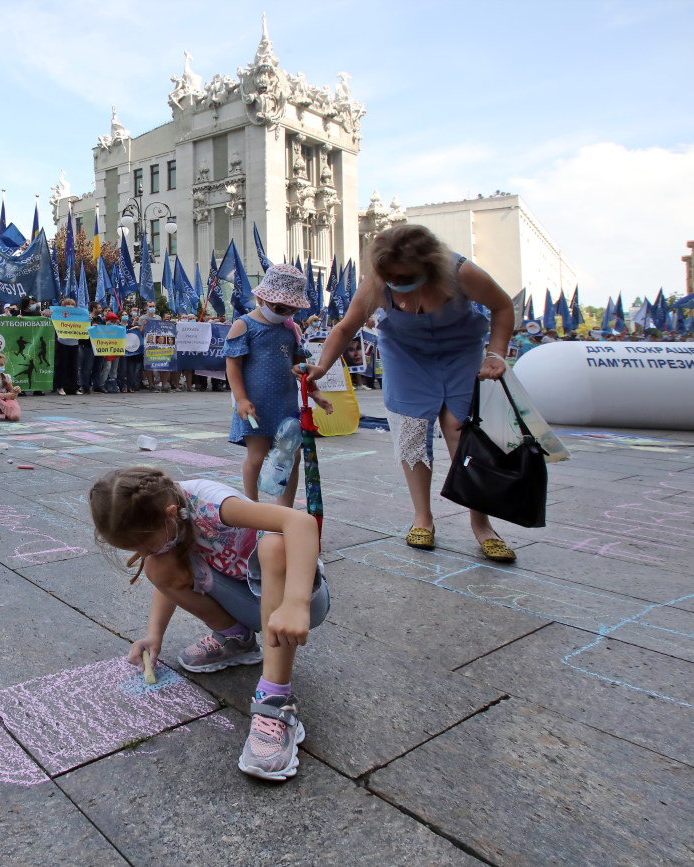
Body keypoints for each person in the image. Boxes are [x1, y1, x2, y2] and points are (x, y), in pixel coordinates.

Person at [88, 466, 328, 781]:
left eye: (144, 546)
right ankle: (236, 640)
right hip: (247, 598)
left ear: (171, 514)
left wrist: (296, 603)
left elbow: (301, 522)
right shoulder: (161, 512)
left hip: (298, 601)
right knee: (158, 567)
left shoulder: (211, 503)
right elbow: (167, 568)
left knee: (274, 546)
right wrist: (154, 636)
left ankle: (276, 701)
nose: (143, 553)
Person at [302, 224, 516, 562]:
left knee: (464, 434)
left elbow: (503, 307)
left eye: (405, 277)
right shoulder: (377, 282)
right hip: (406, 358)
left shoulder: (463, 273)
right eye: (390, 278)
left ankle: (482, 523)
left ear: (429, 268)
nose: (397, 285)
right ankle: (423, 518)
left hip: (461, 355)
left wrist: (496, 354)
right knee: (412, 434)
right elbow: (346, 327)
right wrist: (322, 367)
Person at [225, 263, 334, 502]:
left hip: (286, 405)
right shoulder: (244, 325)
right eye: (280, 307)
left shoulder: (291, 329)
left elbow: (302, 367)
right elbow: (233, 365)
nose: (285, 313)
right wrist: (241, 399)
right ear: (262, 297)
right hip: (256, 405)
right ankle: (252, 506)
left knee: (291, 457)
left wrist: (315, 393)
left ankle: (284, 510)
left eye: (291, 309)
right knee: (257, 455)